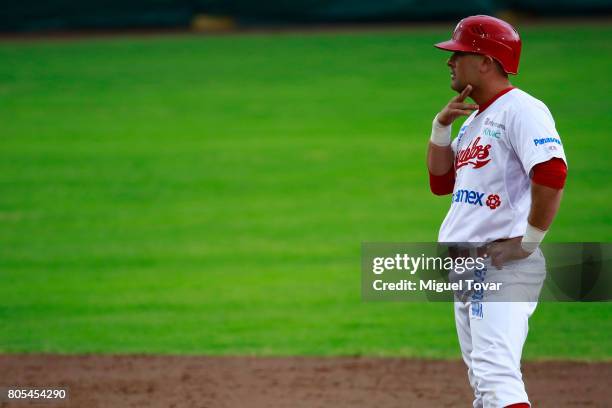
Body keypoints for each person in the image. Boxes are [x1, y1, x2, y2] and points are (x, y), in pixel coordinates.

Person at [427, 15, 568, 408]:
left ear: (487, 60)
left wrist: (528, 242)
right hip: (469, 264)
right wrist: (441, 128)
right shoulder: (475, 119)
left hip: (501, 263)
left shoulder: (522, 110)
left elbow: (552, 172)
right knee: (485, 384)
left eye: (459, 54)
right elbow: (441, 183)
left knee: (496, 378)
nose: (450, 62)